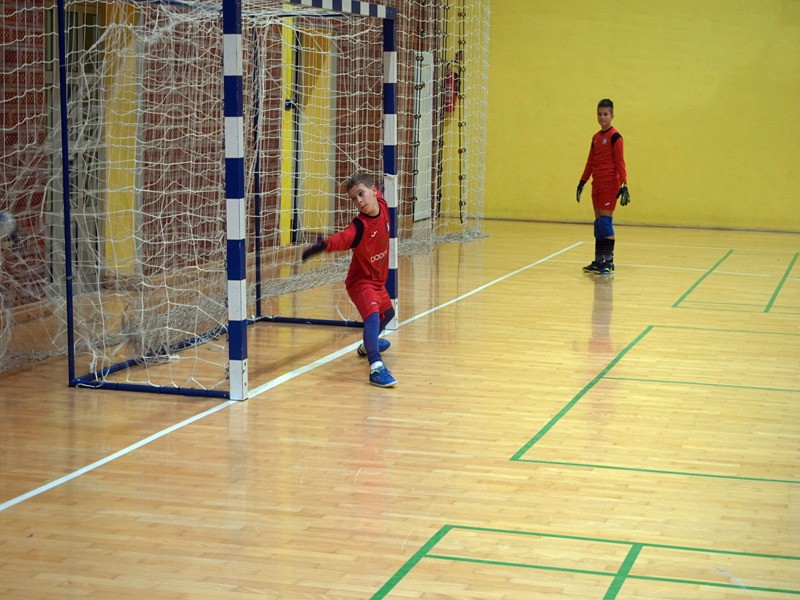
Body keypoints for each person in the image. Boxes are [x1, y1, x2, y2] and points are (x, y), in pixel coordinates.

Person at [301, 172, 397, 388]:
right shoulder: (359, 227)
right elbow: (343, 238)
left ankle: (368, 345)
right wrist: (322, 246)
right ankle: (376, 368)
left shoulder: (382, 205)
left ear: (374, 192)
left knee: (389, 314)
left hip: (377, 282)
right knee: (372, 317)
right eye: (354, 198)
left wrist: (383, 181)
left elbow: (379, 188)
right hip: (360, 282)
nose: (359, 201)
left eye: (361, 194)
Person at [576, 98, 630, 275]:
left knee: (606, 223)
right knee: (598, 223)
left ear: (612, 116)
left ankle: (609, 262)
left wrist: (624, 183)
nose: (602, 117)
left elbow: (620, 162)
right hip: (597, 184)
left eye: (605, 114)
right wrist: (583, 181)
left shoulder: (615, 137)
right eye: (599, 114)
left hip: (609, 184)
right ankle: (599, 260)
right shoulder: (596, 138)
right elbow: (590, 162)